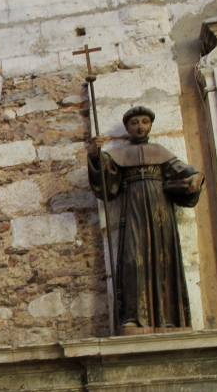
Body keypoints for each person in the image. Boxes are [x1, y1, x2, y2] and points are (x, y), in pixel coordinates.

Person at [87, 106, 204, 335]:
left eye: (144, 122)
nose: (139, 127)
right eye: (134, 123)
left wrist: (195, 179)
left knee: (163, 260)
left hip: (160, 213)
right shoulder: (119, 155)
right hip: (133, 213)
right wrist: (95, 155)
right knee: (131, 261)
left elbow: (186, 173)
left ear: (150, 125)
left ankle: (168, 319)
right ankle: (133, 318)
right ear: (127, 127)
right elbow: (107, 182)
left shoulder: (160, 152)